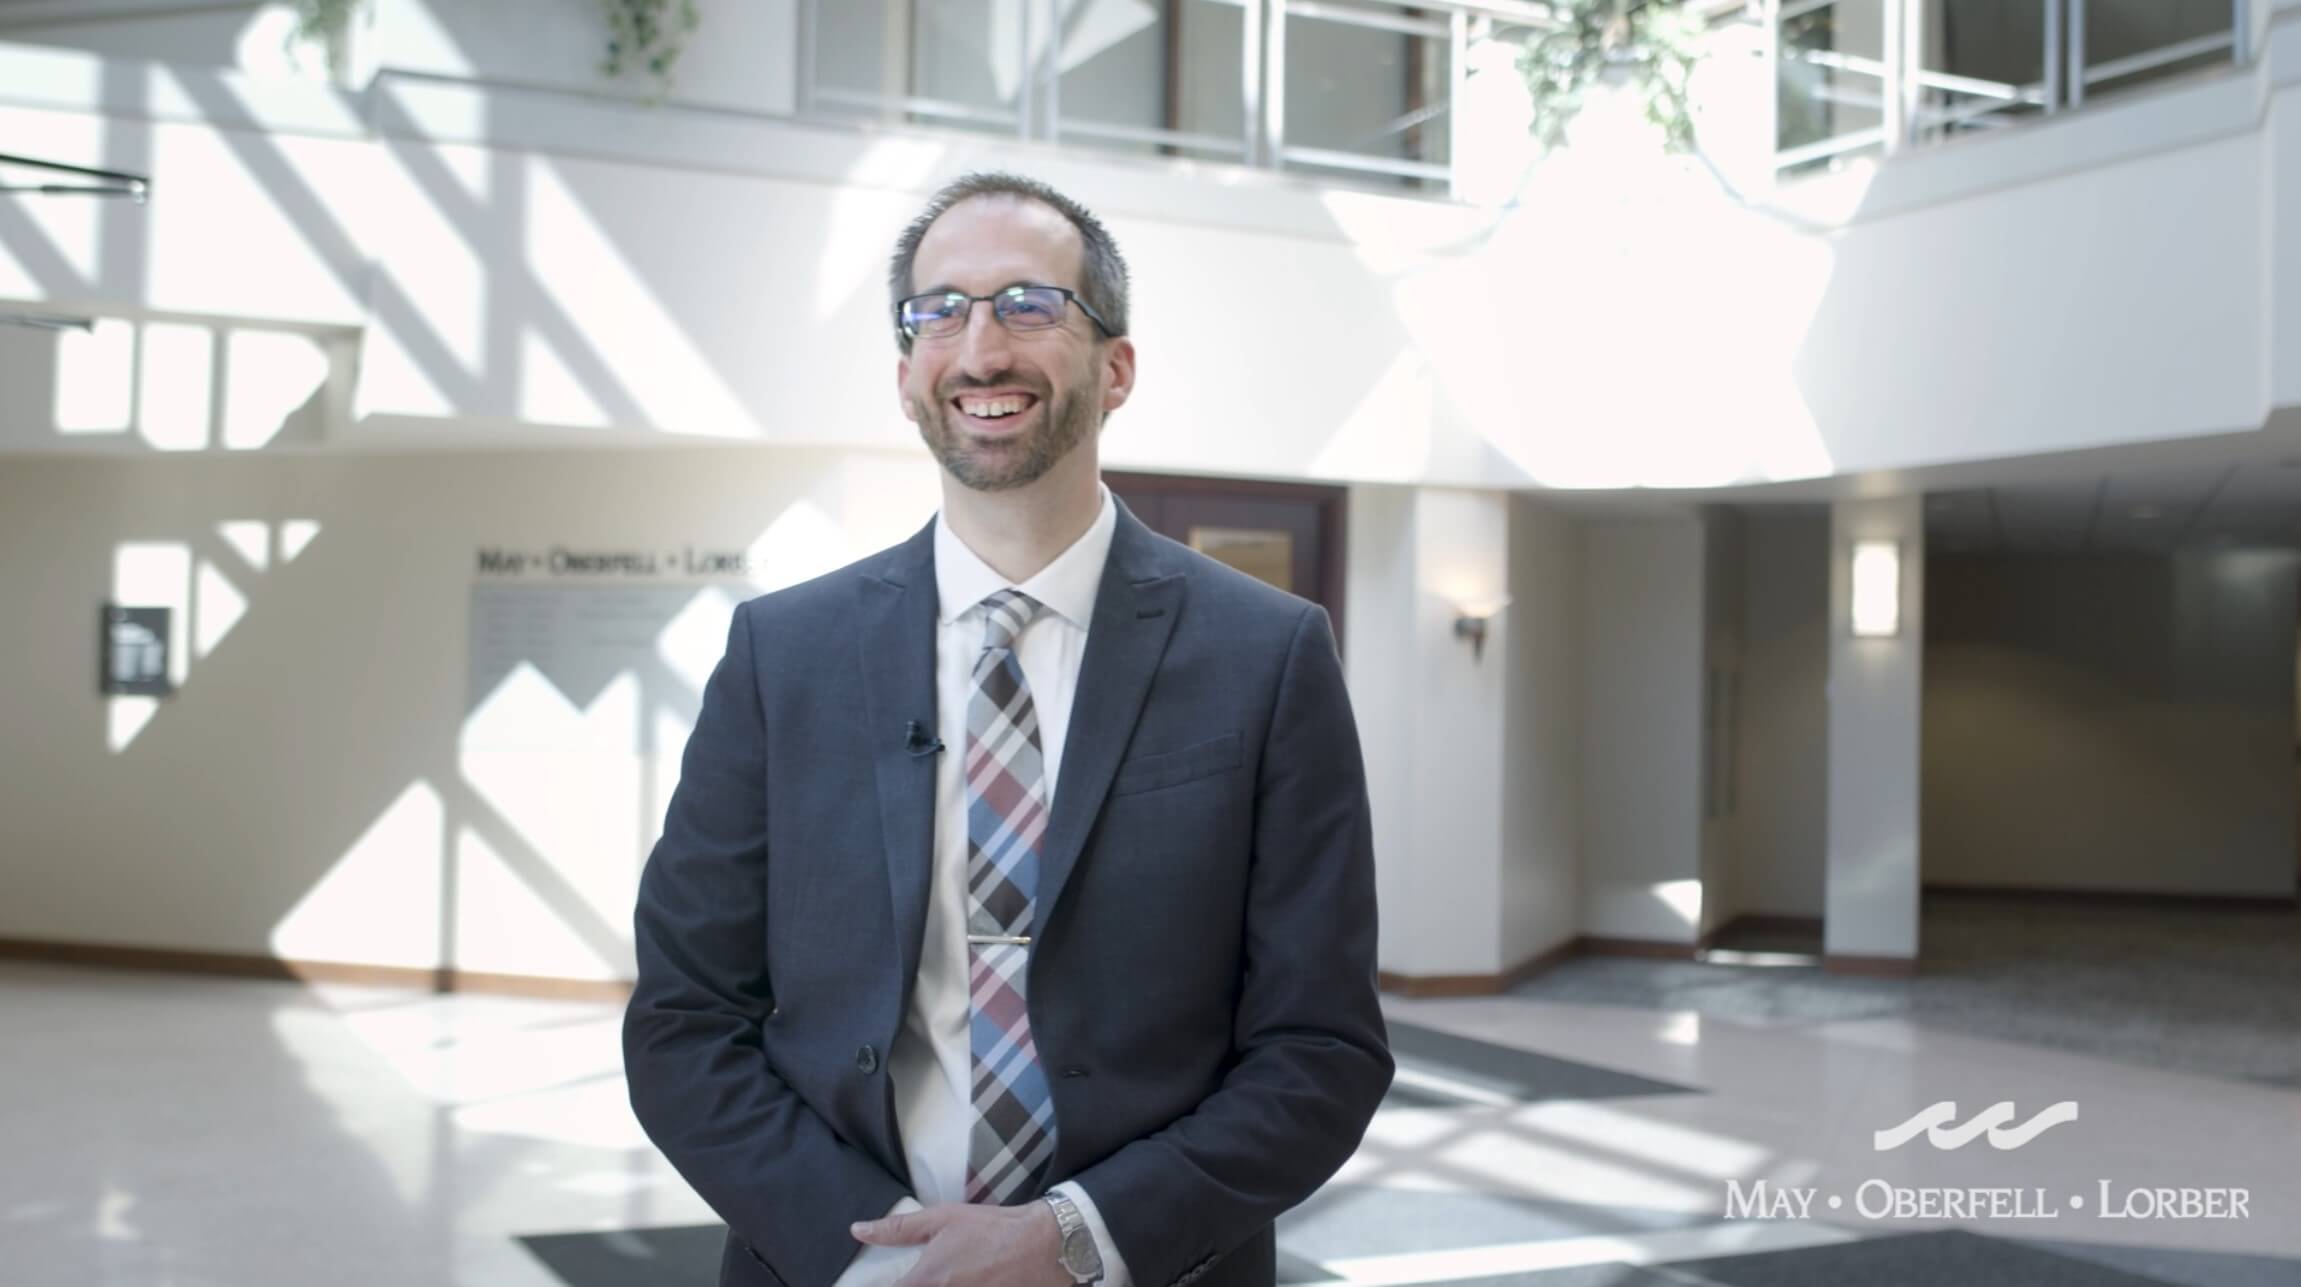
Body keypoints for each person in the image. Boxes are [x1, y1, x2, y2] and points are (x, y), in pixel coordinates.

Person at [624, 172, 1391, 1287]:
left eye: (1028, 305)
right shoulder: (781, 658)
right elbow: (685, 1025)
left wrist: (1072, 1239)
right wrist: (885, 1260)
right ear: (906, 377)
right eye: (940, 311)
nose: (980, 350)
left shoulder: (1266, 657)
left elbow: (1322, 1050)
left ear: (1115, 366)